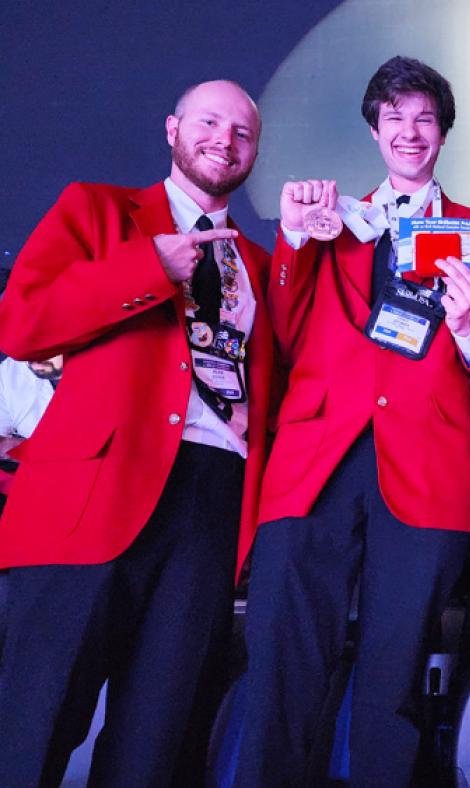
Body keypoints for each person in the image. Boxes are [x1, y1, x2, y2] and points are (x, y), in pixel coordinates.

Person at [233, 56, 470, 786]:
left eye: (424, 118)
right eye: (395, 118)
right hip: (316, 462)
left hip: (426, 465)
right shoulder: (331, 226)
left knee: (395, 674)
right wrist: (293, 240)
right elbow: (287, 335)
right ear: (374, 130)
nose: (409, 132)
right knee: (283, 660)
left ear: (443, 133)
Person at [0, 79, 273, 786]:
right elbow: (23, 325)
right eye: (210, 121)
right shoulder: (97, 209)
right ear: (172, 129)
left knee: (157, 738)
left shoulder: (262, 263)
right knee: (33, 722)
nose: (225, 139)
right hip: (92, 495)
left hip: (210, 505)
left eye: (243, 132)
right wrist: (146, 266)